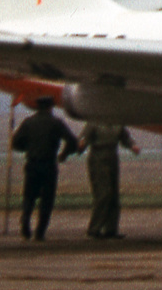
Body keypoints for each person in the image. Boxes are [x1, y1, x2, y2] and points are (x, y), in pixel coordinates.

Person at [10, 97, 79, 241]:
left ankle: (26, 221)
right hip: (49, 164)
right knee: (47, 199)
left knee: (29, 196)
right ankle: (40, 232)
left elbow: (15, 143)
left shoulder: (28, 122)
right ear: (51, 107)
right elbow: (72, 141)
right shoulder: (56, 123)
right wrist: (64, 154)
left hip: (32, 164)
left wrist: (27, 148)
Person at [78, 122, 140, 239]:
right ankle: (94, 229)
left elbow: (125, 138)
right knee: (103, 193)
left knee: (113, 195)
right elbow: (83, 139)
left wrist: (132, 146)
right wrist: (80, 146)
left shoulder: (117, 123)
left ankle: (111, 229)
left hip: (112, 156)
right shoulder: (94, 123)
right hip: (98, 157)